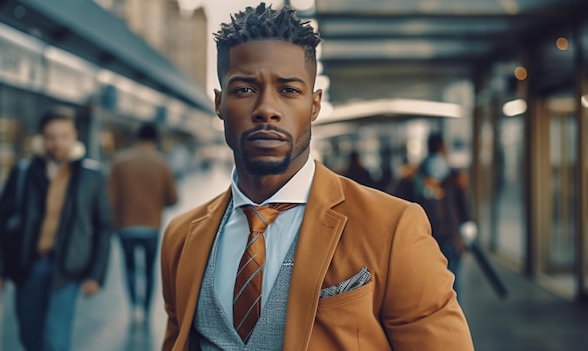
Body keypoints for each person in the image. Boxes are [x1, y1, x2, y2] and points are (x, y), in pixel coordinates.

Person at [159, 3, 474, 350]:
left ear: (314, 104)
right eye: (245, 89)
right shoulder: (181, 237)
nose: (266, 109)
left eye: (289, 90)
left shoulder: (394, 227)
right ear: (219, 103)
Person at [0, 106, 113, 351]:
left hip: (67, 269)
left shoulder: (91, 176)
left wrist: (96, 274)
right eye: (51, 137)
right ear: (42, 139)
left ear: (74, 135)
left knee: (55, 340)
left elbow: (103, 227)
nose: (57, 143)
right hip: (28, 266)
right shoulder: (23, 173)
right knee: (30, 338)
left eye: (64, 136)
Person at [108, 122, 178, 324]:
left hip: (125, 227)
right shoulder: (161, 163)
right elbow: (173, 198)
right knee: (148, 269)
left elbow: (110, 198)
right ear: (155, 139)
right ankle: (146, 310)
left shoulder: (119, 162)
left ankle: (133, 306)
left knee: (129, 266)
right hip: (151, 226)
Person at [413, 132, 471, 300]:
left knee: (430, 284)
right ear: (442, 147)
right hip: (450, 235)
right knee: (453, 283)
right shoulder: (454, 175)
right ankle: (452, 320)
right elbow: (464, 206)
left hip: (427, 236)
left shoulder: (417, 173)